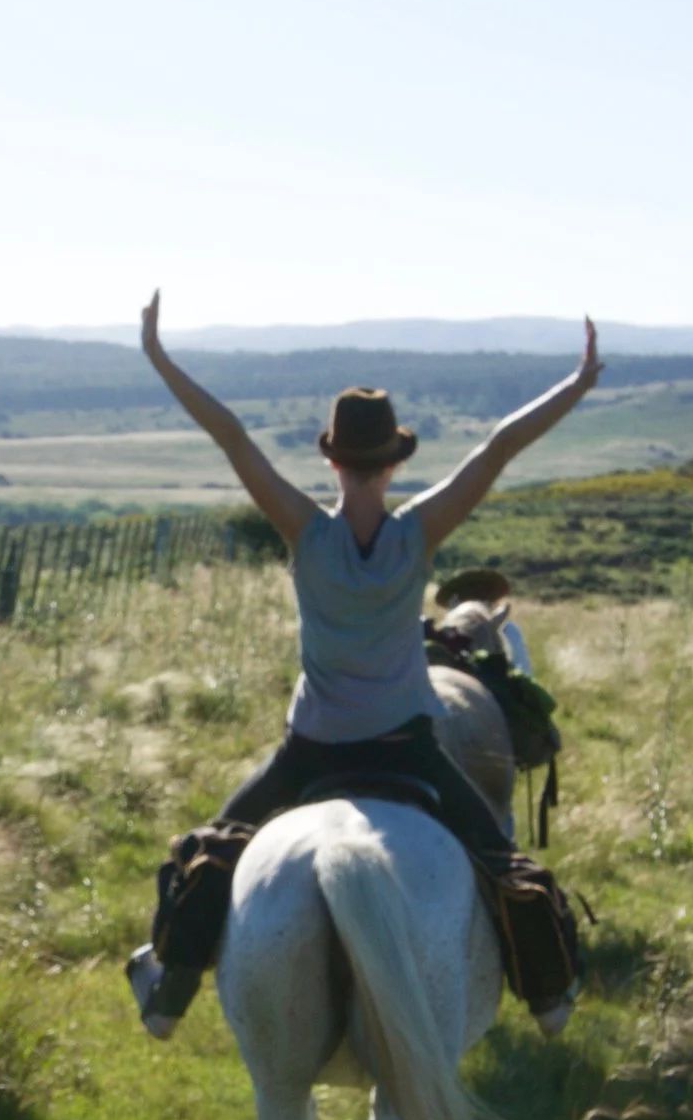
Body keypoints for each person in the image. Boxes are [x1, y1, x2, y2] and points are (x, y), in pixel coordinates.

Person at [127, 292, 600, 1039]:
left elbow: (230, 435)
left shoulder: (303, 531)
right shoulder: (420, 535)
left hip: (312, 749)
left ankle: (169, 989)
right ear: (396, 460)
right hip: (408, 745)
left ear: (330, 457)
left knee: (209, 848)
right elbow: (500, 447)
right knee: (505, 861)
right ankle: (548, 997)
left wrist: (160, 357)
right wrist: (575, 385)